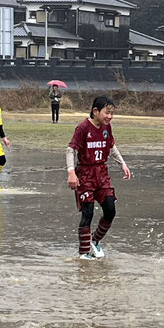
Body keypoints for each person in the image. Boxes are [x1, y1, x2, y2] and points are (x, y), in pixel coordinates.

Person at [68, 94, 132, 259]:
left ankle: (95, 241)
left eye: (112, 113)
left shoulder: (107, 128)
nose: (110, 117)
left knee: (110, 210)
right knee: (87, 214)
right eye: (107, 113)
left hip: (102, 174)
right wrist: (71, 172)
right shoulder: (82, 128)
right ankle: (83, 253)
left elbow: (111, 147)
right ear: (95, 111)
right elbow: (71, 150)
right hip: (86, 175)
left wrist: (123, 164)